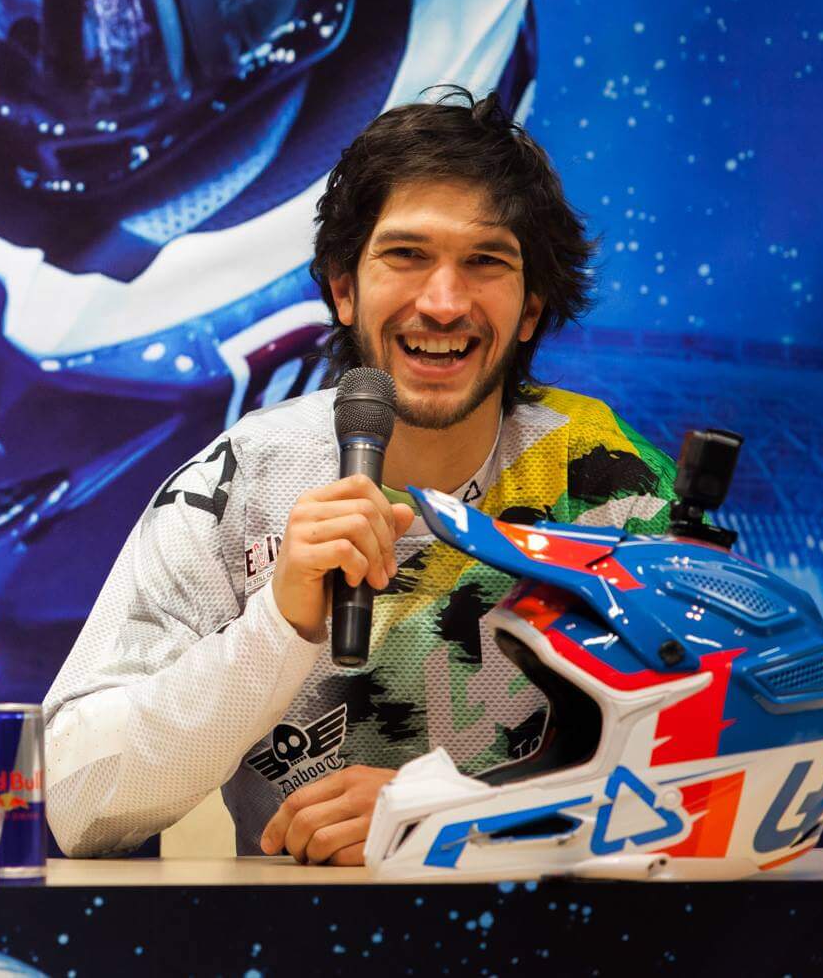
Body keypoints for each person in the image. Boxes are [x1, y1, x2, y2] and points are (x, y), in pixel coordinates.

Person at [42, 89, 680, 862]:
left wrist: (464, 813)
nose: (443, 302)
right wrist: (277, 626)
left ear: (531, 308)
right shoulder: (243, 479)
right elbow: (77, 802)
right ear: (344, 288)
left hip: (552, 924)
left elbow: (728, 770)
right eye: (406, 255)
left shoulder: (614, 484)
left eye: (485, 261)